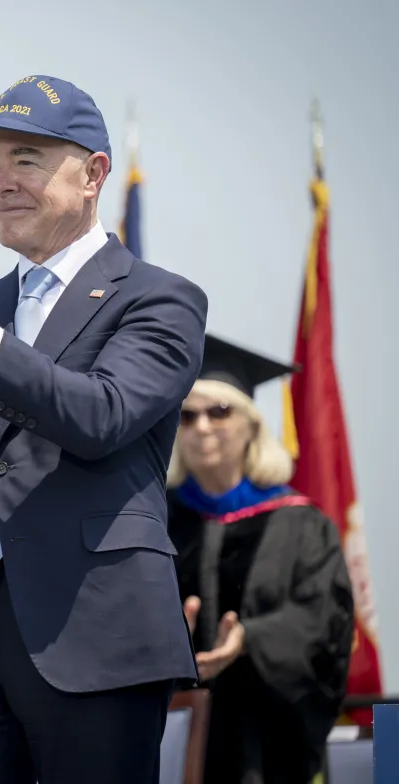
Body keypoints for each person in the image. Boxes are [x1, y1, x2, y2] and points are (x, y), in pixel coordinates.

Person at [0, 74, 208, 783]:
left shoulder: (160, 299)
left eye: (27, 159)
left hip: (94, 638)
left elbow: (100, 415)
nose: (0, 181)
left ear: (95, 175)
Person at [167, 334, 353, 784]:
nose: (203, 427)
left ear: (251, 423)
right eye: (187, 416)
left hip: (264, 736)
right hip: (169, 731)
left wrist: (250, 639)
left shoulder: (300, 524)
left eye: (220, 411)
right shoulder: (155, 518)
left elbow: (323, 620)